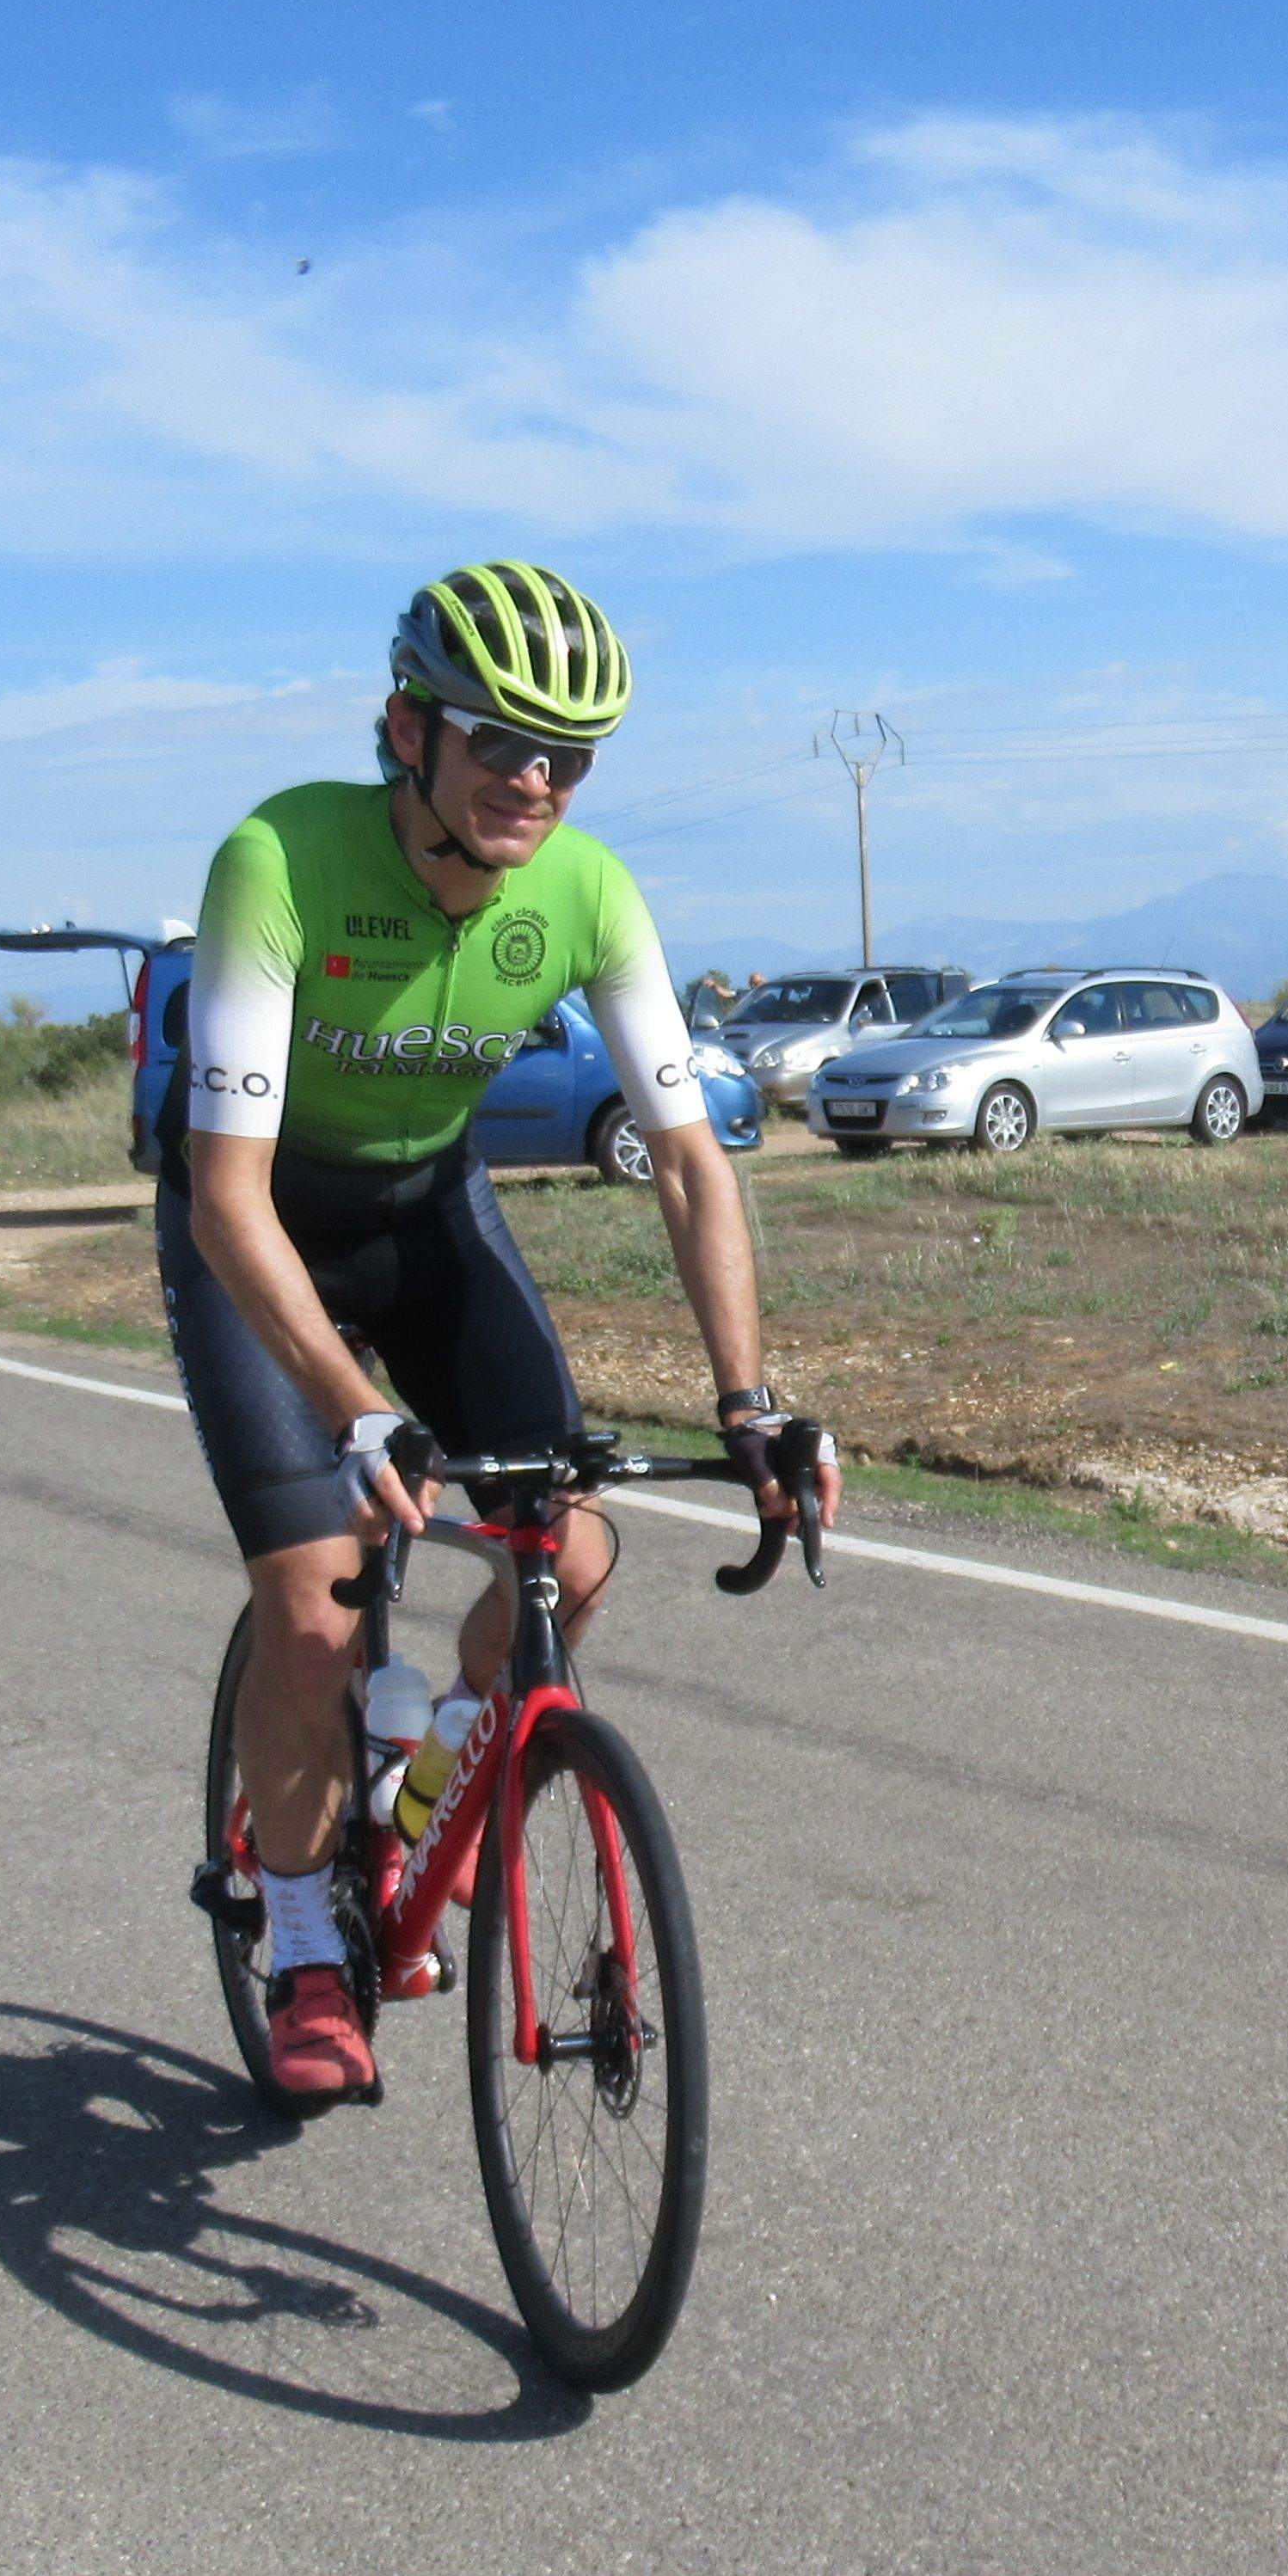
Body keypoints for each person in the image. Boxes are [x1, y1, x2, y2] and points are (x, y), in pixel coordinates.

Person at [159, 561, 832, 2101]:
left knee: (573, 1552)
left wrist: (751, 1399)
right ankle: (310, 1940)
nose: (534, 781)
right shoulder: (280, 860)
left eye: (566, 756)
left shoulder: (585, 894)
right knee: (319, 1611)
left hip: (425, 1220)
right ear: (409, 728)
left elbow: (684, 1158)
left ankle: (432, 1789)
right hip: (258, 1235)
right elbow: (224, 1200)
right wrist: (356, 1410)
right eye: (497, 741)